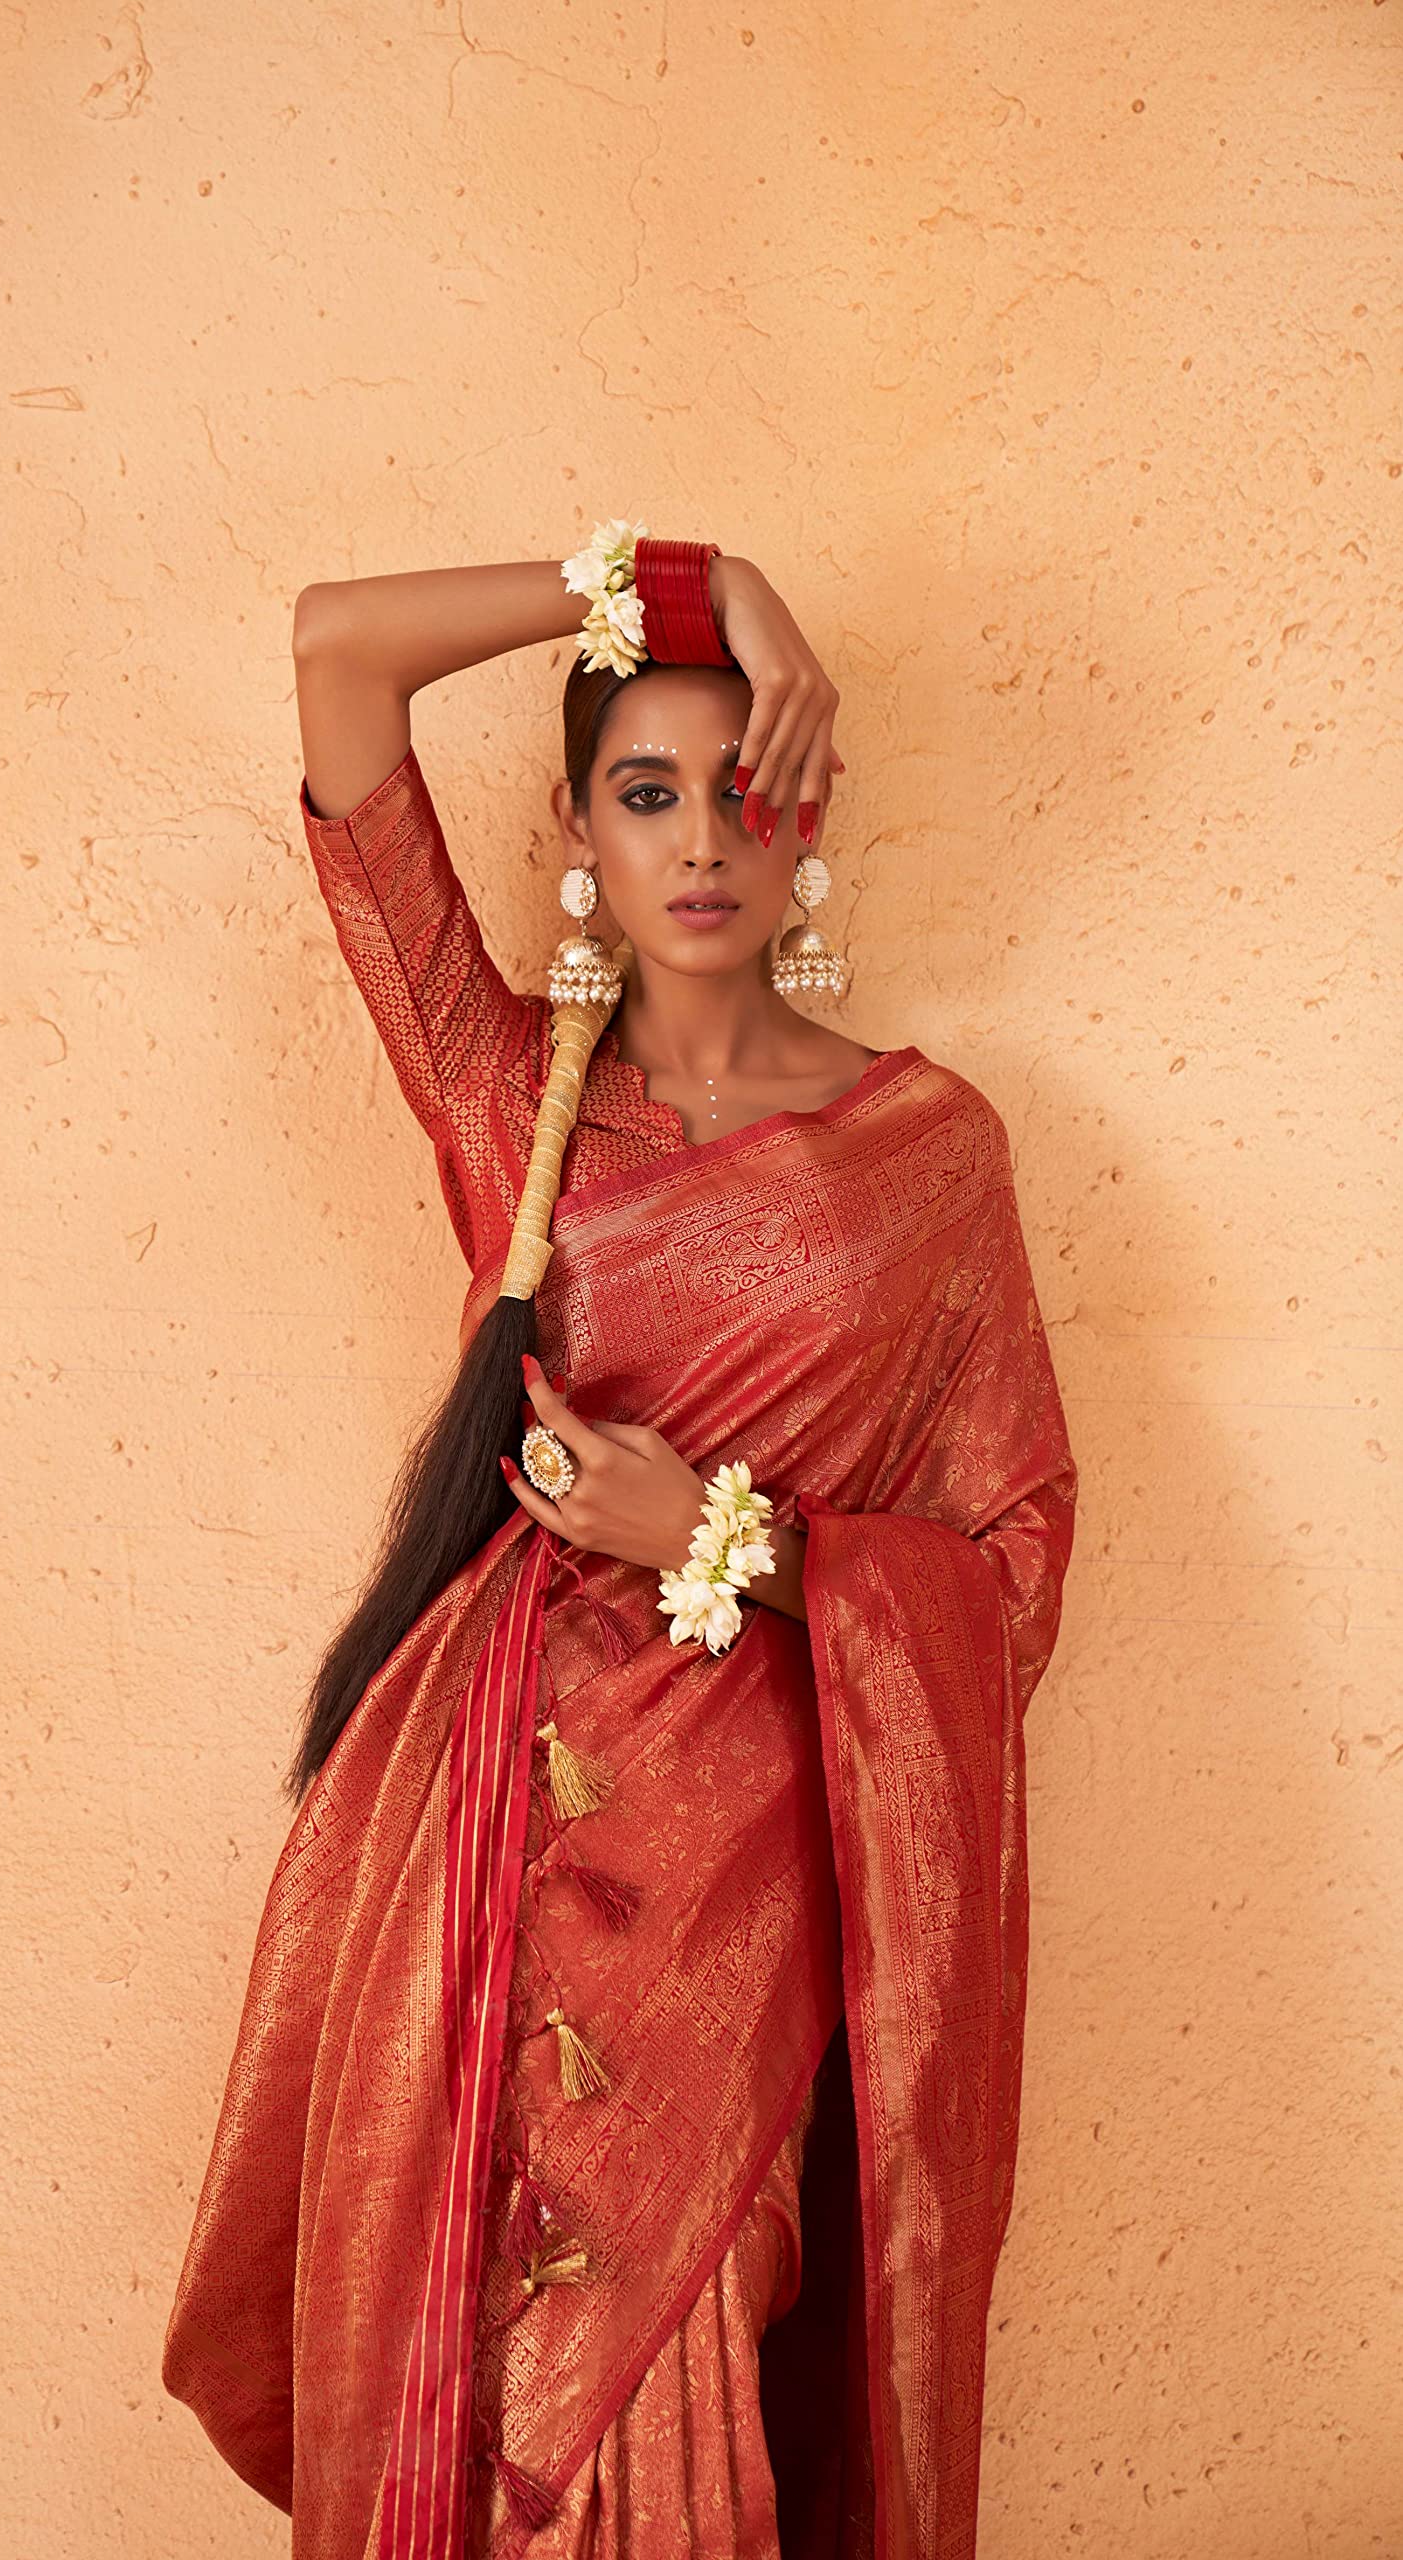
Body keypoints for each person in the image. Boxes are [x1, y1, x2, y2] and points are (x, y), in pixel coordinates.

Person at [161, 528, 1078, 2560]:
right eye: (647, 791)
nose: (701, 838)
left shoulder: (930, 1153)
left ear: (808, 811)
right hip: (474, 1837)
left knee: (678, 2349)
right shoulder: (514, 1102)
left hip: (745, 1870)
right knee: (450, 2357)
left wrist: (720, 1532)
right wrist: (683, 576)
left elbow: (1010, 1566)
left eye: (746, 783)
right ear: (576, 832)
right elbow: (336, 650)